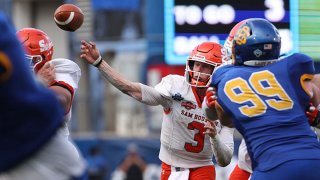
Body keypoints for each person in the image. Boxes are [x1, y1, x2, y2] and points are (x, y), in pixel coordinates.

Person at [79, 40, 235, 179]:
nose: (198, 70)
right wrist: (100, 63)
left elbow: (224, 160)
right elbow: (131, 89)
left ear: (218, 70)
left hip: (202, 167)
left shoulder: (225, 102)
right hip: (170, 167)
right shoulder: (175, 87)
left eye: (205, 66)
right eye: (196, 64)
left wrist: (214, 137)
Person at [206, 18, 320, 179]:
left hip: (270, 161)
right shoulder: (291, 69)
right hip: (263, 157)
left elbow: (223, 119)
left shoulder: (226, 77)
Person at [0, 12, 84, 180]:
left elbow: (61, 101)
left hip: (46, 148)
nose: (25, 66)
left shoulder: (59, 68)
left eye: (30, 60)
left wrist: (39, 84)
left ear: (45, 58)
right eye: (22, 59)